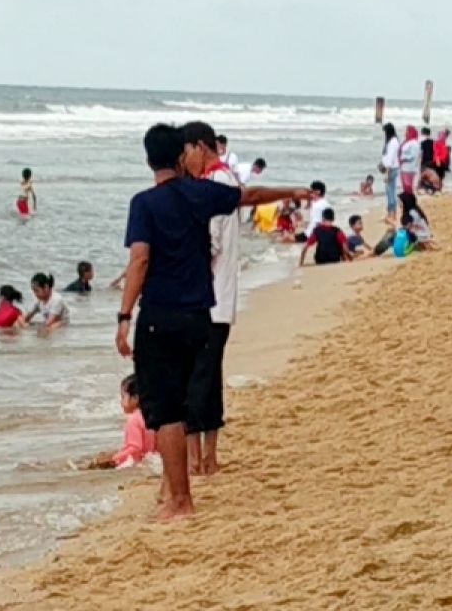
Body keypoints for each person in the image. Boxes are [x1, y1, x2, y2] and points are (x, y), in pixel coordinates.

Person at [116, 123, 308, 521]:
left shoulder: (144, 204)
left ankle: (179, 500)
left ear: (149, 158)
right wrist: (293, 192)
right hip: (201, 315)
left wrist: (123, 315)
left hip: (161, 317)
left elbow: (140, 259)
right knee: (185, 402)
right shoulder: (200, 193)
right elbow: (251, 195)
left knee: (165, 410)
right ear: (180, 156)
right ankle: (172, 489)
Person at [180, 121, 242, 476]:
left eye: (187, 152)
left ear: (200, 147)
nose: (185, 160)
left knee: (196, 379)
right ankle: (209, 456)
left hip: (208, 298)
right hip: (221, 296)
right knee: (209, 376)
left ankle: (197, 459)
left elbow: (211, 242)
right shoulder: (229, 181)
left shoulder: (215, 184)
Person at [87, 375, 158, 470]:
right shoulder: (152, 415)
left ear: (135, 398)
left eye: (123, 397)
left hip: (138, 464)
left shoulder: (133, 419)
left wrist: (114, 458)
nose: (121, 402)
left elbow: (135, 448)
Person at [380, 122, 400, 223]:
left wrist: (387, 172)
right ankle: (390, 213)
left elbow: (391, 158)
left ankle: (392, 214)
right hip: (391, 168)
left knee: (390, 192)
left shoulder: (393, 142)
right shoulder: (393, 141)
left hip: (391, 169)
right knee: (390, 192)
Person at [398, 125, 420, 195]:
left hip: (410, 168)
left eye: (407, 131)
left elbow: (412, 156)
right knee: (405, 186)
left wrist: (402, 158)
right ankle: (407, 201)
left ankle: (410, 201)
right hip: (404, 167)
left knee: (408, 186)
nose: (405, 133)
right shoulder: (407, 142)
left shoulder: (414, 143)